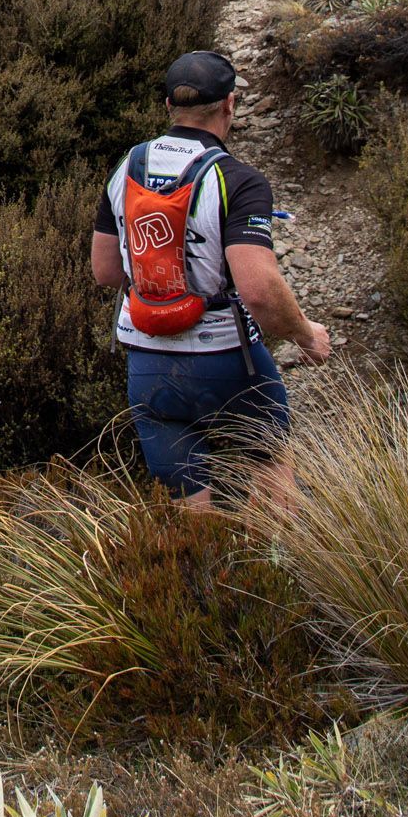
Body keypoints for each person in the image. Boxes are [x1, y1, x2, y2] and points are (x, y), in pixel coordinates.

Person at [91, 48, 331, 508]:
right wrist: (304, 334)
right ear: (230, 106)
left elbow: (105, 272)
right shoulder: (238, 179)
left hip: (147, 361)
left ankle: (204, 579)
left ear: (167, 107)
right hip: (227, 362)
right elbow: (258, 289)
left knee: (190, 517)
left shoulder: (126, 168)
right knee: (273, 483)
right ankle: (276, 571)